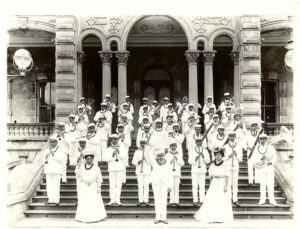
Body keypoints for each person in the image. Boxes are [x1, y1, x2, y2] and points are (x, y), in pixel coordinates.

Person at [194, 147, 233, 223]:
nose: (218, 156)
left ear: (222, 156)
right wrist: (211, 185)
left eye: (219, 155)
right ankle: (212, 216)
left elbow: (227, 176)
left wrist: (225, 186)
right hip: (214, 183)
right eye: (216, 155)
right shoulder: (212, 165)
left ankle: (220, 217)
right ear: (214, 156)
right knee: (213, 199)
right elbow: (210, 176)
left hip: (222, 182)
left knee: (220, 199)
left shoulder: (225, 164)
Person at [75, 149, 107, 223]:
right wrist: (78, 165)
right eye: (87, 159)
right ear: (85, 159)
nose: (89, 160)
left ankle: (95, 216)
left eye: (90, 159)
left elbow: (99, 178)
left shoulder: (96, 168)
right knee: (85, 201)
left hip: (93, 186)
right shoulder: (82, 167)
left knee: (93, 201)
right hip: (85, 186)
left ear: (93, 159)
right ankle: (83, 216)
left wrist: (99, 187)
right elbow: (78, 175)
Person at [145, 149, 173, 224]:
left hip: (165, 184)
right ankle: (157, 217)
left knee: (164, 201)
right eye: (159, 156)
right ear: (156, 157)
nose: (160, 158)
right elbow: (150, 155)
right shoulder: (154, 163)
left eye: (162, 156)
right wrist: (152, 147)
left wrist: (170, 185)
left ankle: (164, 218)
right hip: (155, 184)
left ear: (164, 156)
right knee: (157, 200)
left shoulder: (168, 164)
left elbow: (170, 175)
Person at [251, 134, 278, 206]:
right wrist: (260, 160)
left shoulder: (271, 147)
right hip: (261, 168)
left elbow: (275, 157)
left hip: (269, 168)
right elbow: (254, 159)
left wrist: (270, 162)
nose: (262, 140)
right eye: (261, 139)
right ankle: (262, 200)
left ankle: (272, 201)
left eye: (264, 139)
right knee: (262, 185)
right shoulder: (256, 149)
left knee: (270, 184)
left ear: (266, 140)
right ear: (259, 140)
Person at [103, 134, 127, 206]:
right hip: (112, 168)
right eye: (113, 139)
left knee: (118, 185)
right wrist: (112, 155)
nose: (115, 141)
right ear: (111, 140)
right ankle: (112, 200)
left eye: (116, 139)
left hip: (119, 168)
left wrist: (119, 153)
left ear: (118, 140)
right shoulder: (108, 149)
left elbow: (125, 157)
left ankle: (118, 200)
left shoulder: (122, 148)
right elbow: (105, 159)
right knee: (112, 185)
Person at [43, 135, 67, 206]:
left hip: (56, 170)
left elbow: (62, 159)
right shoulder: (47, 150)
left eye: (54, 142)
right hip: (48, 170)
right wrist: (46, 158)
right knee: (49, 185)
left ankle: (56, 200)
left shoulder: (60, 150)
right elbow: (42, 160)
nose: (52, 143)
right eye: (51, 142)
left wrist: (54, 155)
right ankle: (50, 200)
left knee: (56, 185)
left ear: (57, 142)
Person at [188, 137, 210, 206]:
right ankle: (195, 200)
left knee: (202, 186)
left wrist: (203, 156)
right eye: (197, 141)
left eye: (200, 141)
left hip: (202, 170)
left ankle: (202, 199)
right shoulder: (192, 150)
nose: (199, 143)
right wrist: (195, 159)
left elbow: (208, 161)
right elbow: (189, 161)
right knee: (194, 185)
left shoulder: (205, 151)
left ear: (202, 142)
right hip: (194, 170)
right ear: (195, 142)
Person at [224, 132, 243, 206]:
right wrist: (229, 156)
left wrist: (236, 154)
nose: (232, 138)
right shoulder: (225, 146)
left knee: (235, 184)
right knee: (228, 184)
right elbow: (223, 158)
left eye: (233, 136)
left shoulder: (238, 146)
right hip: (228, 166)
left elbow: (240, 158)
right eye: (230, 136)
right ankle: (228, 199)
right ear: (228, 137)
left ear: (235, 137)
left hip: (235, 166)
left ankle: (235, 199)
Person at [132, 138, 152, 206]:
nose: (143, 144)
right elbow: (133, 162)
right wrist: (138, 161)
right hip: (139, 171)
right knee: (140, 186)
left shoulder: (150, 151)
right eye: (142, 143)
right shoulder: (137, 152)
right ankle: (140, 200)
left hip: (147, 171)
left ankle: (146, 200)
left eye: (144, 143)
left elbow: (152, 162)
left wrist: (146, 157)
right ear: (140, 143)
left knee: (146, 186)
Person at [166, 142, 184, 206]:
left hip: (177, 173)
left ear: (176, 147)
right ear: (170, 147)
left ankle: (176, 201)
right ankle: (171, 201)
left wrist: (177, 159)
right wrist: (171, 161)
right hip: (170, 173)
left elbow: (182, 163)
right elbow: (165, 164)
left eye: (174, 146)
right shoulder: (167, 155)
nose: (173, 147)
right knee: (171, 187)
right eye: (172, 146)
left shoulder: (179, 154)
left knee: (176, 187)